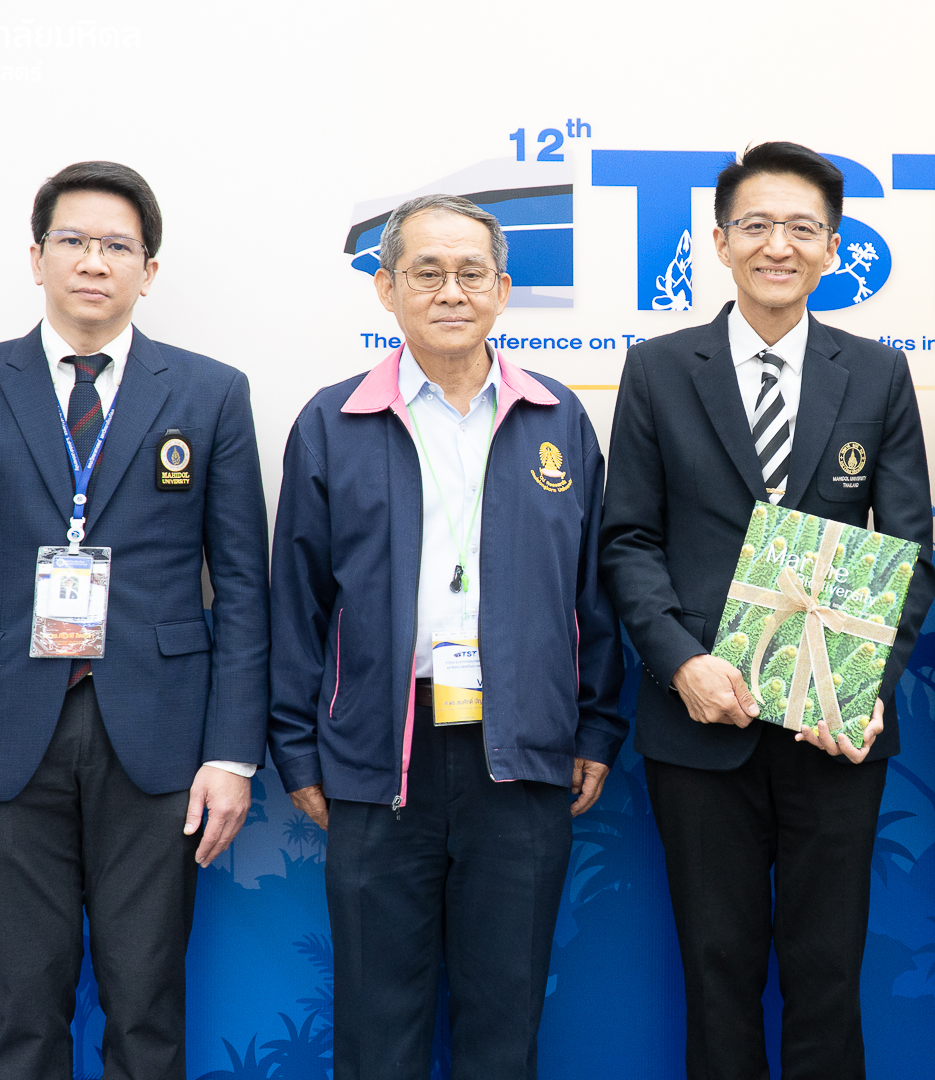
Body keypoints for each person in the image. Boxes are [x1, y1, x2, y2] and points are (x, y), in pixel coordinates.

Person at [0, 161, 269, 1079]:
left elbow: (244, 586)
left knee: (147, 1006)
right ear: (37, 258)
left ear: (148, 269)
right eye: (73, 240)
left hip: (161, 739)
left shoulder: (212, 393)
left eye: (117, 246)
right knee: (24, 1009)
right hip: (4, 736)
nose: (93, 261)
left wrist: (232, 755)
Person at [599, 141, 935, 1079]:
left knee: (828, 972)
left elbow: (911, 550)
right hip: (700, 721)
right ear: (720, 241)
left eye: (801, 228)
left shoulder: (877, 373)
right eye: (755, 225)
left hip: (835, 731)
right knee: (717, 971)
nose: (777, 246)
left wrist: (863, 686)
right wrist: (681, 662)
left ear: (832, 247)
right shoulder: (660, 368)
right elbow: (628, 538)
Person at [268, 193, 625, 1080]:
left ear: (503, 290)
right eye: (426, 272)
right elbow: (297, 602)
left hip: (523, 751)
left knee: (504, 1019)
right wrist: (299, 750)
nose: (451, 291)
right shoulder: (333, 422)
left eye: (472, 273)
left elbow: (593, 595)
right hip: (378, 755)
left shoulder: (557, 419)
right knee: (376, 1024)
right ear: (386, 289)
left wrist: (595, 729)